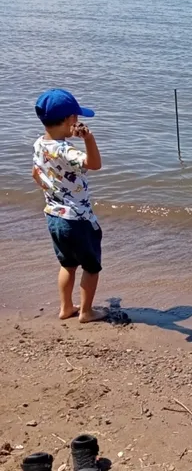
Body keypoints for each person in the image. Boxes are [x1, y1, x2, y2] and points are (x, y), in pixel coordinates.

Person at [32, 88, 107, 323]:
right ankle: (86, 312)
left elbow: (35, 173)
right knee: (91, 267)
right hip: (78, 219)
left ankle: (65, 308)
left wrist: (53, 190)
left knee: (67, 264)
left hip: (53, 216)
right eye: (76, 117)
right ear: (69, 121)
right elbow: (94, 164)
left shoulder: (39, 144)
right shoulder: (66, 150)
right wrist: (89, 138)